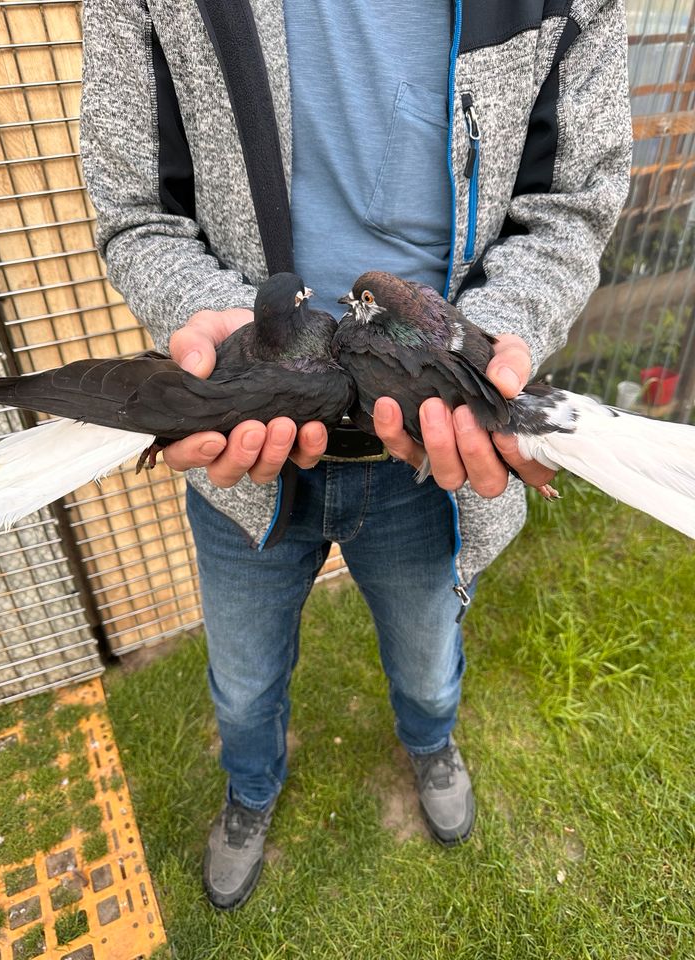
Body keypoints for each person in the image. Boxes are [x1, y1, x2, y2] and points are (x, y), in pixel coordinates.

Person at [81, 0, 632, 910]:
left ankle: (431, 743)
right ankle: (250, 790)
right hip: (249, 462)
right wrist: (240, 351)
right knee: (244, 678)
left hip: (432, 460)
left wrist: (492, 348)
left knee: (428, 657)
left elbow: (570, 206)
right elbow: (138, 210)